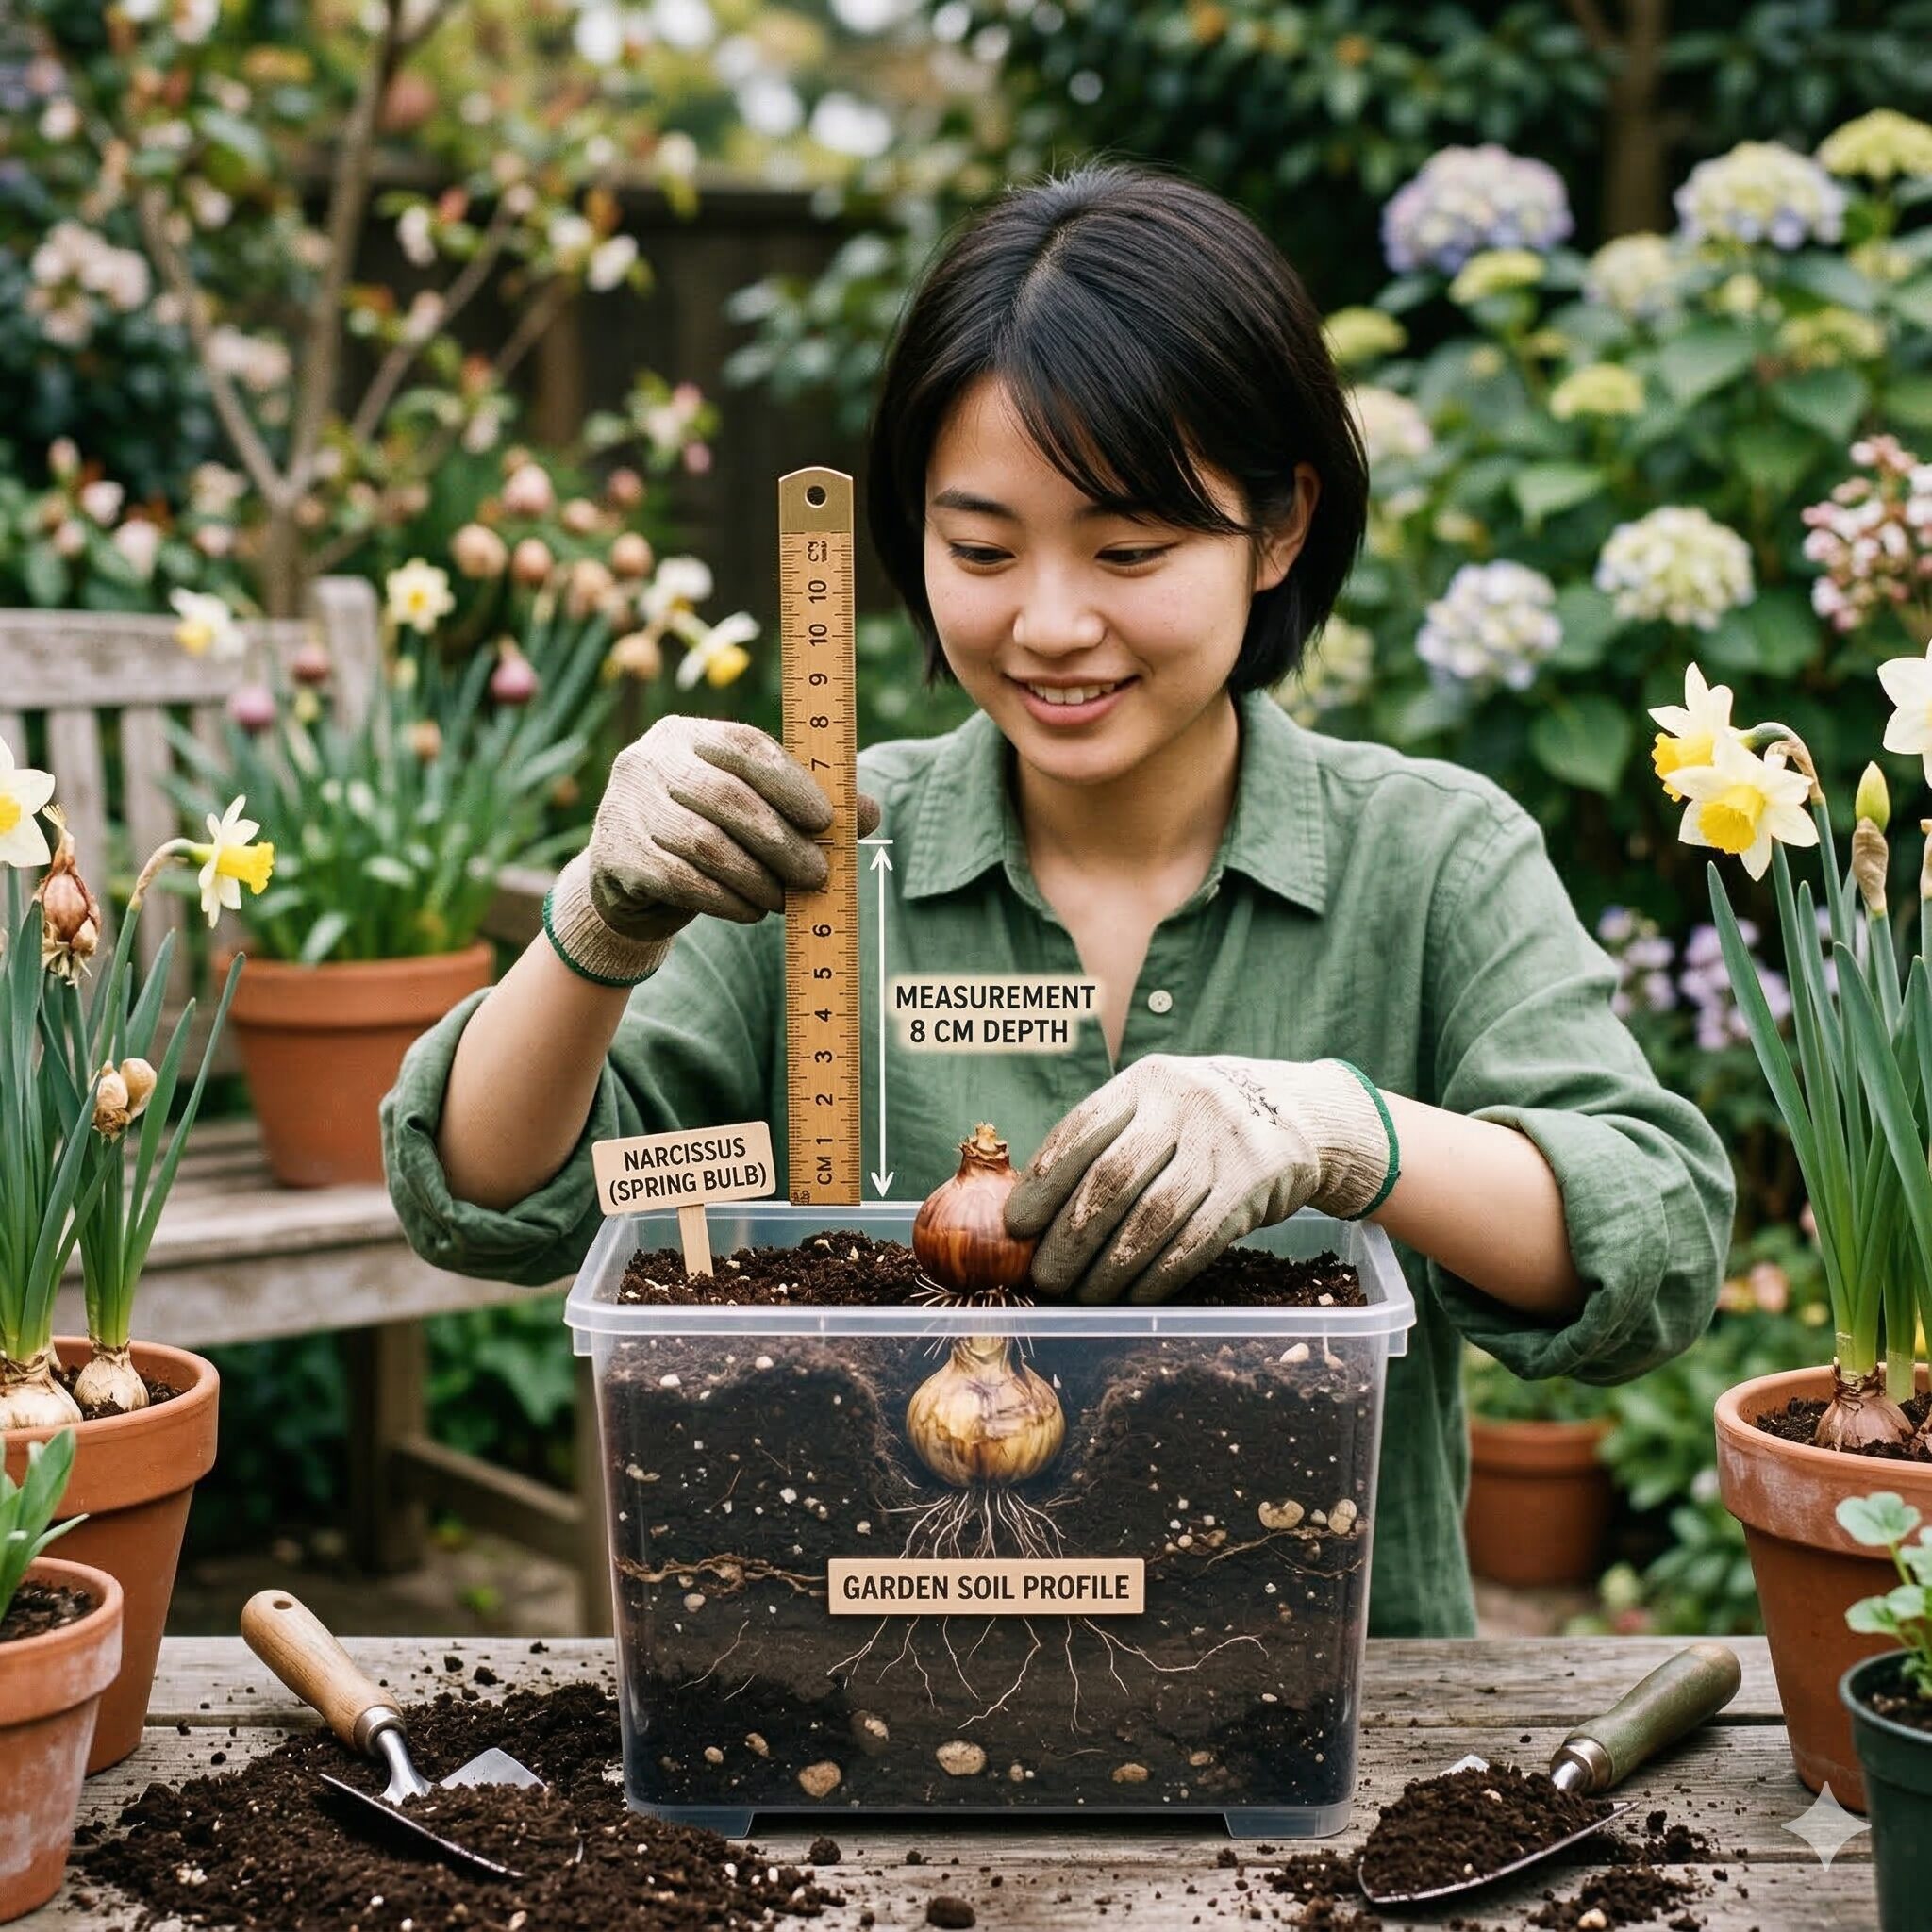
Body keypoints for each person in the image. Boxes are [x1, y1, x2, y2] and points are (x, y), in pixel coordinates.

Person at [382, 162, 1733, 1639]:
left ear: (1279, 530)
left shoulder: (1428, 858)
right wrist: (604, 922)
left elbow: (1651, 1237)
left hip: (1308, 1711)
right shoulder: (823, 854)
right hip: (853, 1686)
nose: (1050, 623)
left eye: (1131, 550)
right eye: (979, 549)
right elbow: (490, 1195)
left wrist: (1344, 1130)